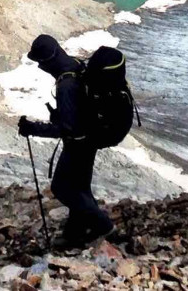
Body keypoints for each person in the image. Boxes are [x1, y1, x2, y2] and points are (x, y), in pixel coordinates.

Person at [17, 35, 116, 250]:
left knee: (62, 188)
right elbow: (76, 114)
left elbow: (66, 128)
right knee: (80, 188)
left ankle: (103, 226)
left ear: (48, 60)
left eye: (40, 62)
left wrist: (33, 128)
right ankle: (75, 235)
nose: (40, 67)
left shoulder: (66, 85)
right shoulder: (77, 66)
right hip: (89, 140)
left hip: (77, 144)